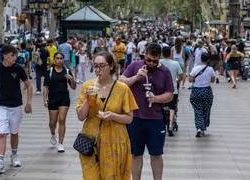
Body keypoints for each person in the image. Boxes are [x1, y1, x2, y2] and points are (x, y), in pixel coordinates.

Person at [76, 52, 138, 180]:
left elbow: (129, 118)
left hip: (115, 140)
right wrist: (87, 100)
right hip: (90, 141)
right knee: (90, 177)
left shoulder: (122, 89)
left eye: (102, 66)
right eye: (96, 66)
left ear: (111, 66)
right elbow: (81, 117)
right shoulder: (87, 86)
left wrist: (113, 116)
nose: (98, 70)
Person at [119, 43, 174, 180]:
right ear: (144, 54)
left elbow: (170, 94)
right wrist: (136, 77)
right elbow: (121, 82)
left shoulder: (165, 72)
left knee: (156, 154)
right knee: (136, 154)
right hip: (135, 117)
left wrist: (155, 98)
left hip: (155, 119)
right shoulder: (135, 66)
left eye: (155, 61)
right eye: (148, 60)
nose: (151, 63)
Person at [0, 45, 33, 175]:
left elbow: (29, 85)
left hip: (16, 105)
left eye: (15, 55)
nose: (15, 57)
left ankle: (14, 155)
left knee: (14, 133)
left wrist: (28, 102)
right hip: (1, 106)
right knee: (2, 133)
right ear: (5, 55)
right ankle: (0, 162)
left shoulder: (18, 69)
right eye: (12, 55)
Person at [43, 52, 76, 153]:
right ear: (54, 59)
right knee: (52, 122)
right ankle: (53, 134)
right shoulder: (50, 71)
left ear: (63, 59)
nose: (59, 60)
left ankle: (61, 144)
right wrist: (44, 99)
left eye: (61, 58)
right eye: (57, 58)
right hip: (52, 99)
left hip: (64, 99)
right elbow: (46, 87)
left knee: (62, 120)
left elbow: (73, 87)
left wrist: (72, 79)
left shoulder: (67, 71)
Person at [189, 52, 215, 137]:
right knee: (206, 109)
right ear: (208, 60)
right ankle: (203, 127)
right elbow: (212, 80)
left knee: (197, 110)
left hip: (196, 91)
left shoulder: (195, 68)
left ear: (200, 59)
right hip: (207, 91)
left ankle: (199, 128)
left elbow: (190, 79)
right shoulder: (210, 69)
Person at [160, 46, 183, 136]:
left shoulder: (159, 63)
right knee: (172, 107)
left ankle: (162, 124)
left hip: (161, 90)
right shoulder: (175, 63)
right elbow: (181, 75)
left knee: (161, 106)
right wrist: (177, 81)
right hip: (173, 89)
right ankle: (170, 125)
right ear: (170, 53)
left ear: (162, 54)